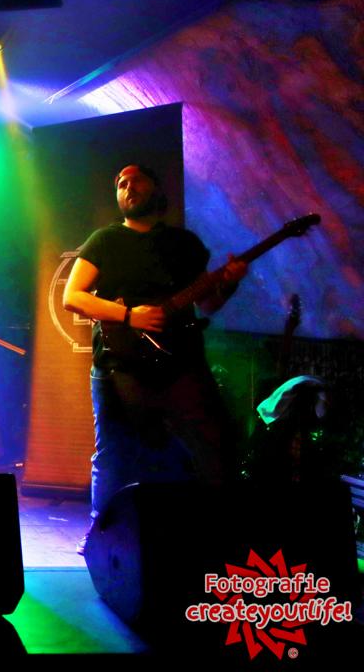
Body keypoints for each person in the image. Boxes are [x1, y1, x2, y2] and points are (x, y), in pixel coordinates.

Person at [62, 164, 246, 552]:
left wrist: (229, 283)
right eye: (121, 183)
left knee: (209, 445)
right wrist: (130, 316)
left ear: (156, 188)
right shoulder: (104, 240)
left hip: (181, 363)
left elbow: (208, 304)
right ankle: (100, 537)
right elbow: (72, 296)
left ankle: (215, 535)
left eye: (135, 181)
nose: (127, 188)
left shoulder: (184, 244)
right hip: (118, 365)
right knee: (113, 452)